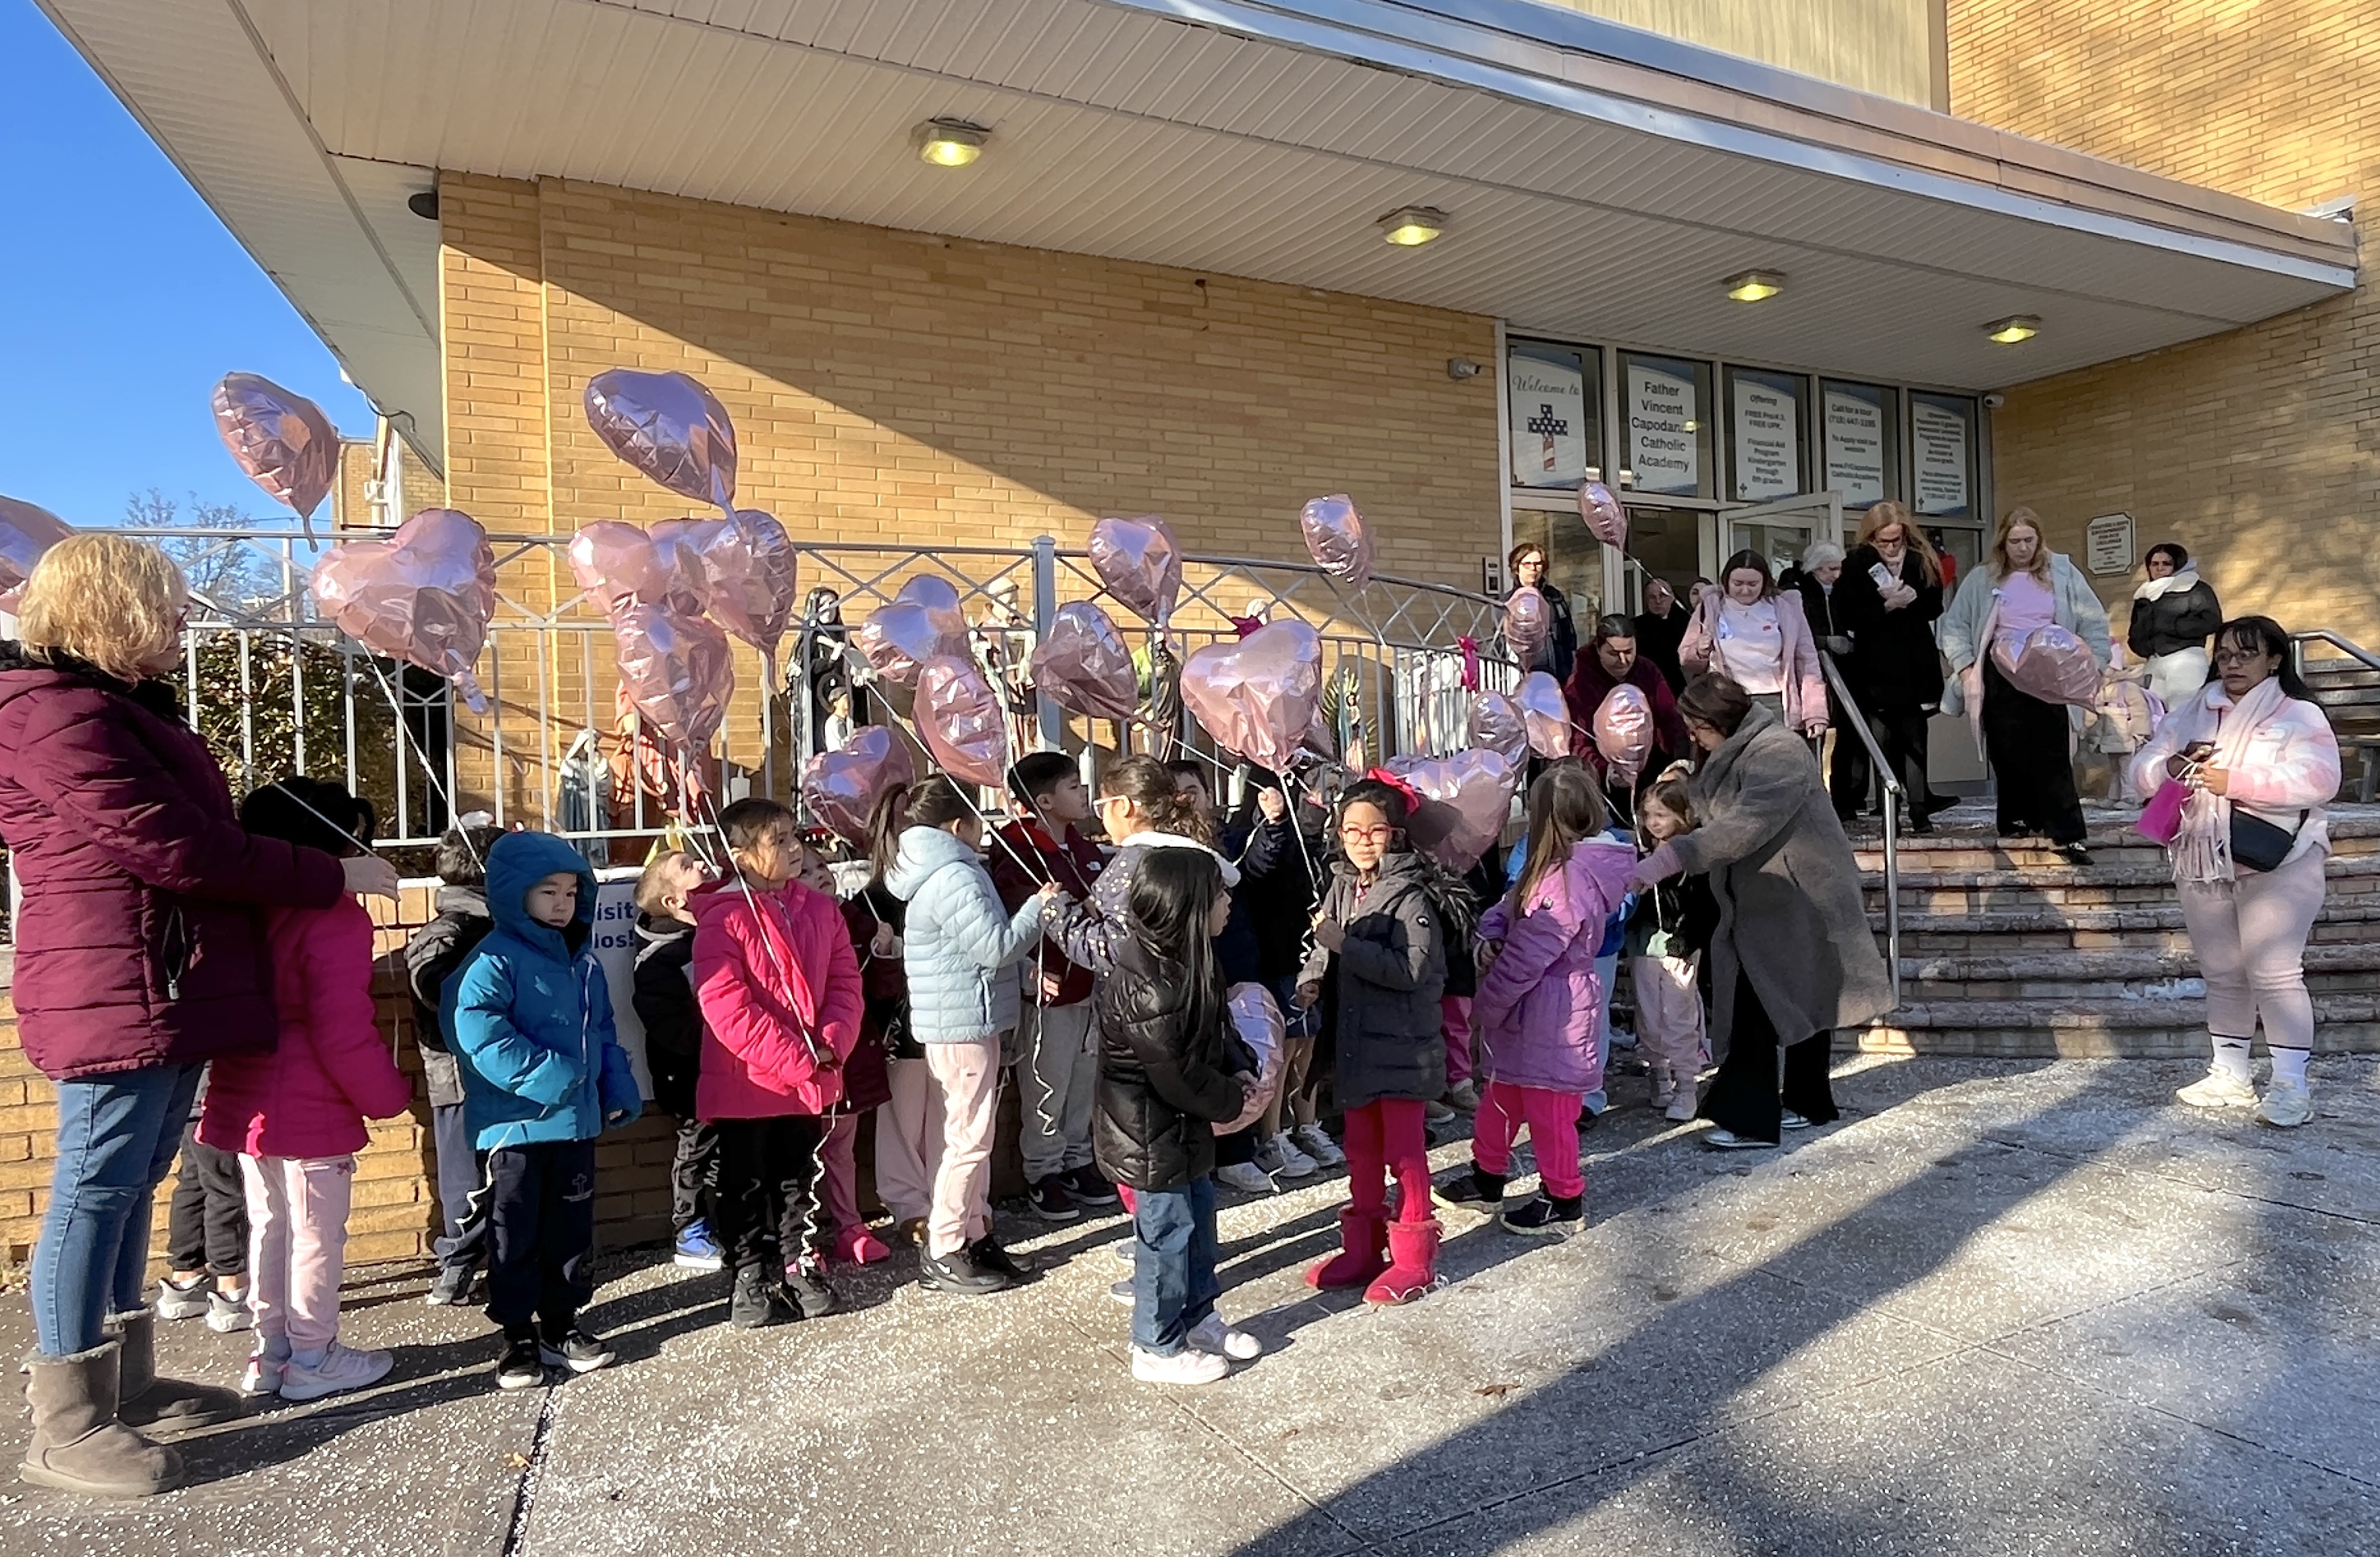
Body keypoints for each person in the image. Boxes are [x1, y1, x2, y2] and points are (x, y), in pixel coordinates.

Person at [0, 534, 394, 1498]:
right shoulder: (53, 716)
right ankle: (66, 1422)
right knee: (96, 1187)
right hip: (116, 981)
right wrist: (328, 872)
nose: (183, 621)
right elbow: (181, 847)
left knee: (131, 1184)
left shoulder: (113, 710)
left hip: (157, 979)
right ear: (111, 609)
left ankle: (122, 1384)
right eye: (167, 606)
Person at [198, 778, 413, 1401]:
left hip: (244, 1088)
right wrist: (386, 1095)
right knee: (318, 1234)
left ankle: (272, 1354)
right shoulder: (333, 916)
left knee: (269, 1228)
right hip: (310, 1099)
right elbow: (340, 1023)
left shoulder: (243, 904)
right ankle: (315, 1355)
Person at [1631, 676, 1892, 1148]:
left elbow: (1744, 824)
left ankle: (1750, 1118)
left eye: (1698, 727)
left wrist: (1670, 858)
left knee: (1759, 1004)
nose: (1693, 737)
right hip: (1769, 894)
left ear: (1720, 722)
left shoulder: (1780, 752)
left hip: (1800, 894)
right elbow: (1716, 803)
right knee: (1795, 997)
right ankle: (1808, 1101)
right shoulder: (1736, 749)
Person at [446, 831, 644, 1390]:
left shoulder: (583, 964)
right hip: (515, 1126)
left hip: (575, 1122)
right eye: (548, 892)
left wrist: (616, 1084)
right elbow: (478, 1034)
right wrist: (551, 1076)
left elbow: (601, 1030)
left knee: (570, 1229)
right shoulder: (491, 961)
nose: (562, 904)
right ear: (514, 894)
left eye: (570, 893)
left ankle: (561, 1322)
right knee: (514, 1231)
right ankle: (516, 1334)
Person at [2132, 617, 2341, 1128]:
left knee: (2273, 971)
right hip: (2201, 857)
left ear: (2274, 658)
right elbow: (2141, 769)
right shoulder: (2192, 712)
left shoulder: (2299, 714)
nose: (2231, 664)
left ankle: (2290, 1083)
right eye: (2224, 655)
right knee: (2223, 972)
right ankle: (2229, 1073)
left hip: (2280, 860)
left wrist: (2236, 781)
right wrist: (2169, 768)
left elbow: (2320, 778)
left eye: (2244, 654)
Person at [878, 776, 1055, 1296]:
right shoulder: (954, 875)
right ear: (958, 825)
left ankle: (975, 1235)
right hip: (962, 1025)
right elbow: (994, 946)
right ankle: (947, 1244)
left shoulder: (940, 872)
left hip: (964, 1018)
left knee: (972, 1138)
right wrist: (1039, 909)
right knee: (967, 1141)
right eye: (979, 822)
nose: (984, 833)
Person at [691, 799, 864, 1329]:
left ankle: (797, 1259)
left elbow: (844, 980)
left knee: (797, 1177)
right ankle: (747, 1270)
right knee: (743, 1183)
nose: (793, 849)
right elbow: (725, 1003)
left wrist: (833, 1039)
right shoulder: (724, 918)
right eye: (778, 841)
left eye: (794, 837)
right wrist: (796, 1057)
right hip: (748, 1080)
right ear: (740, 855)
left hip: (808, 1074)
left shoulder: (818, 909)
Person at [1096, 849, 1261, 1385]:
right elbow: (1176, 1074)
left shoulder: (1193, 958)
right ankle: (1155, 1342)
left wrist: (1241, 1063)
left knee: (1199, 1220)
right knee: (1165, 1234)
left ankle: (1199, 1317)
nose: (1228, 903)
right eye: (1218, 894)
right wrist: (1233, 1102)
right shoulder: (1149, 984)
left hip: (1181, 1126)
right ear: (1189, 907)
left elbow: (1217, 1025)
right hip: (1149, 1130)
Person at [1448, 765, 1634, 1233]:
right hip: (1531, 1008)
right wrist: (1489, 932)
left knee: (1550, 1111)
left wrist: (1484, 1007)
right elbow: (1507, 905)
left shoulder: (1567, 881)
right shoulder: (1550, 868)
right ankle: (1488, 1174)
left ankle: (1562, 1198)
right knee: (1502, 1094)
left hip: (1551, 1007)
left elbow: (1525, 959)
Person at [1296, 774, 1453, 1304]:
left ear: (1397, 834)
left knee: (1404, 1151)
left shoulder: (1412, 896)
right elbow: (1326, 937)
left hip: (1402, 1045)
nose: (1361, 840)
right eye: (1351, 830)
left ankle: (1413, 1255)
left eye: (1375, 830)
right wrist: (1312, 975)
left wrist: (1343, 945)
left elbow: (1410, 968)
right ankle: (1362, 1247)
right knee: (1360, 1147)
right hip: (1356, 1043)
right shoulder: (1343, 884)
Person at [1939, 507, 2113, 864]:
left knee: (2051, 750)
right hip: (1999, 670)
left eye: (2028, 541)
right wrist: (1966, 667)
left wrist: (2094, 662)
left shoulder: (2061, 573)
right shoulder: (1983, 578)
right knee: (2007, 748)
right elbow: (1954, 625)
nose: (2021, 548)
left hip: (2047, 668)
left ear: (2039, 540)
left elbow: (2092, 619)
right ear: (2003, 542)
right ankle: (2018, 819)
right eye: (2014, 541)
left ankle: (2067, 833)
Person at [990, 752, 1113, 1222]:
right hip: (1050, 982)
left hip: (1090, 980)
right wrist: (1027, 969)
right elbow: (1016, 915)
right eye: (1072, 786)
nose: (1084, 793)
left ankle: (1077, 1158)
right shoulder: (1020, 847)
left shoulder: (1082, 847)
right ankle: (1042, 1170)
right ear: (1043, 799)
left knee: (1084, 1077)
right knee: (1047, 1079)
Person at [403, 824, 504, 1305]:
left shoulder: (498, 925)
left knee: (506, 1173)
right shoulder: (448, 933)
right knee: (466, 1180)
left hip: (501, 1077)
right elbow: (436, 993)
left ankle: (493, 1261)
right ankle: (458, 1264)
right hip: (461, 1079)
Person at [1227, 770, 1342, 1174]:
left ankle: (1305, 1124)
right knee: (1284, 1046)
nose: (1316, 796)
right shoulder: (1251, 835)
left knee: (1310, 1041)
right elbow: (1266, 861)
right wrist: (1278, 820)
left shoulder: (1309, 834)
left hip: (1308, 947)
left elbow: (1310, 849)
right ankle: (1271, 1135)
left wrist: (1314, 816)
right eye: (1306, 788)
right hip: (1276, 953)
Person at [795, 841, 893, 1269]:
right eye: (805, 870)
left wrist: (886, 954)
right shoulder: (786, 925)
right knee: (801, 1154)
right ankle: (802, 1233)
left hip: (851, 1058)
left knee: (841, 1150)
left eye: (823, 865)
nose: (820, 874)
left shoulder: (857, 922)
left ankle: (849, 1226)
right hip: (806, 1061)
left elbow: (880, 993)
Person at [1833, 503, 1952, 833]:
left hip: (1914, 664)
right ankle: (1889, 813)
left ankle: (1919, 809)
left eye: (1895, 540)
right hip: (1874, 667)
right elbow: (1846, 613)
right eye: (1882, 541)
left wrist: (1914, 599)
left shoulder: (1918, 560)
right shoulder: (1857, 562)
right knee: (1881, 742)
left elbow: (1935, 606)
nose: (1889, 547)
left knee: (1915, 740)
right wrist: (1884, 605)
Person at [630, 848, 722, 1273]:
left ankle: (727, 1224)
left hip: (728, 1069)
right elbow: (671, 1027)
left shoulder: (710, 933)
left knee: (726, 1152)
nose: (700, 866)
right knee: (696, 1150)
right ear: (673, 902)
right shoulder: (661, 959)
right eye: (687, 867)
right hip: (688, 1072)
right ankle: (690, 1230)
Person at [1626, 774, 1718, 1122]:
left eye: (1661, 815)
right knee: (1648, 1015)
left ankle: (1686, 1085)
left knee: (1678, 1014)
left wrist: (1688, 938)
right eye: (1648, 814)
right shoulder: (1641, 852)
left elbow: (1702, 905)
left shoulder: (1692, 856)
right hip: (1644, 943)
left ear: (1682, 816)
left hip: (1679, 943)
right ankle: (1658, 1073)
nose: (1653, 822)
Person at [1680, 551, 1830, 740]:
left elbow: (1807, 660)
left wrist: (1815, 711)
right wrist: (1700, 651)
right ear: (1726, 581)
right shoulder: (1711, 607)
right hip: (1727, 700)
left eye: (1752, 584)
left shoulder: (1784, 607)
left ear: (1765, 582)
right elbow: (1686, 660)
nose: (1745, 590)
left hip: (1775, 699)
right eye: (1738, 584)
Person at [1563, 614, 1691, 810]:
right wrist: (1605, 772)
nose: (1623, 660)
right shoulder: (1580, 683)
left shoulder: (1647, 670)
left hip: (1650, 767)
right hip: (1603, 777)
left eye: (1629, 651)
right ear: (1599, 649)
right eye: (1614, 654)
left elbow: (1670, 718)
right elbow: (1578, 739)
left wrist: (1680, 760)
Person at [156, 1086, 251, 1333]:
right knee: (227, 1190)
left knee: (194, 1184)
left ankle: (186, 1280)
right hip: (217, 1100)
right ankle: (232, 1290)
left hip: (188, 1101)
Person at [2129, 542, 2224, 711]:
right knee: (2153, 714)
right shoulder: (2144, 595)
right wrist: (2142, 645)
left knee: (2185, 711)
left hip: (2186, 658)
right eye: (2154, 564)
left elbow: (2212, 621)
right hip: (2154, 661)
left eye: (2167, 563)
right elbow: (2136, 629)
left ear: (2178, 565)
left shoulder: (2194, 587)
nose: (2159, 568)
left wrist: (2173, 626)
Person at [1508, 541, 1579, 683]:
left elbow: (1569, 636)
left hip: (1558, 673)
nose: (1533, 569)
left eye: (1538, 564)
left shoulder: (1555, 597)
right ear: (1517, 568)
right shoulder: (1508, 602)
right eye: (1527, 564)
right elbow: (1501, 643)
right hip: (1523, 675)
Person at [1633, 577, 1692, 693]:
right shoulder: (1636, 626)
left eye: (1663, 595)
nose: (1658, 601)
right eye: (1652, 597)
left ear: (1672, 597)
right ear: (1646, 600)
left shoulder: (1688, 623)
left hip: (1682, 687)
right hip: (1649, 686)